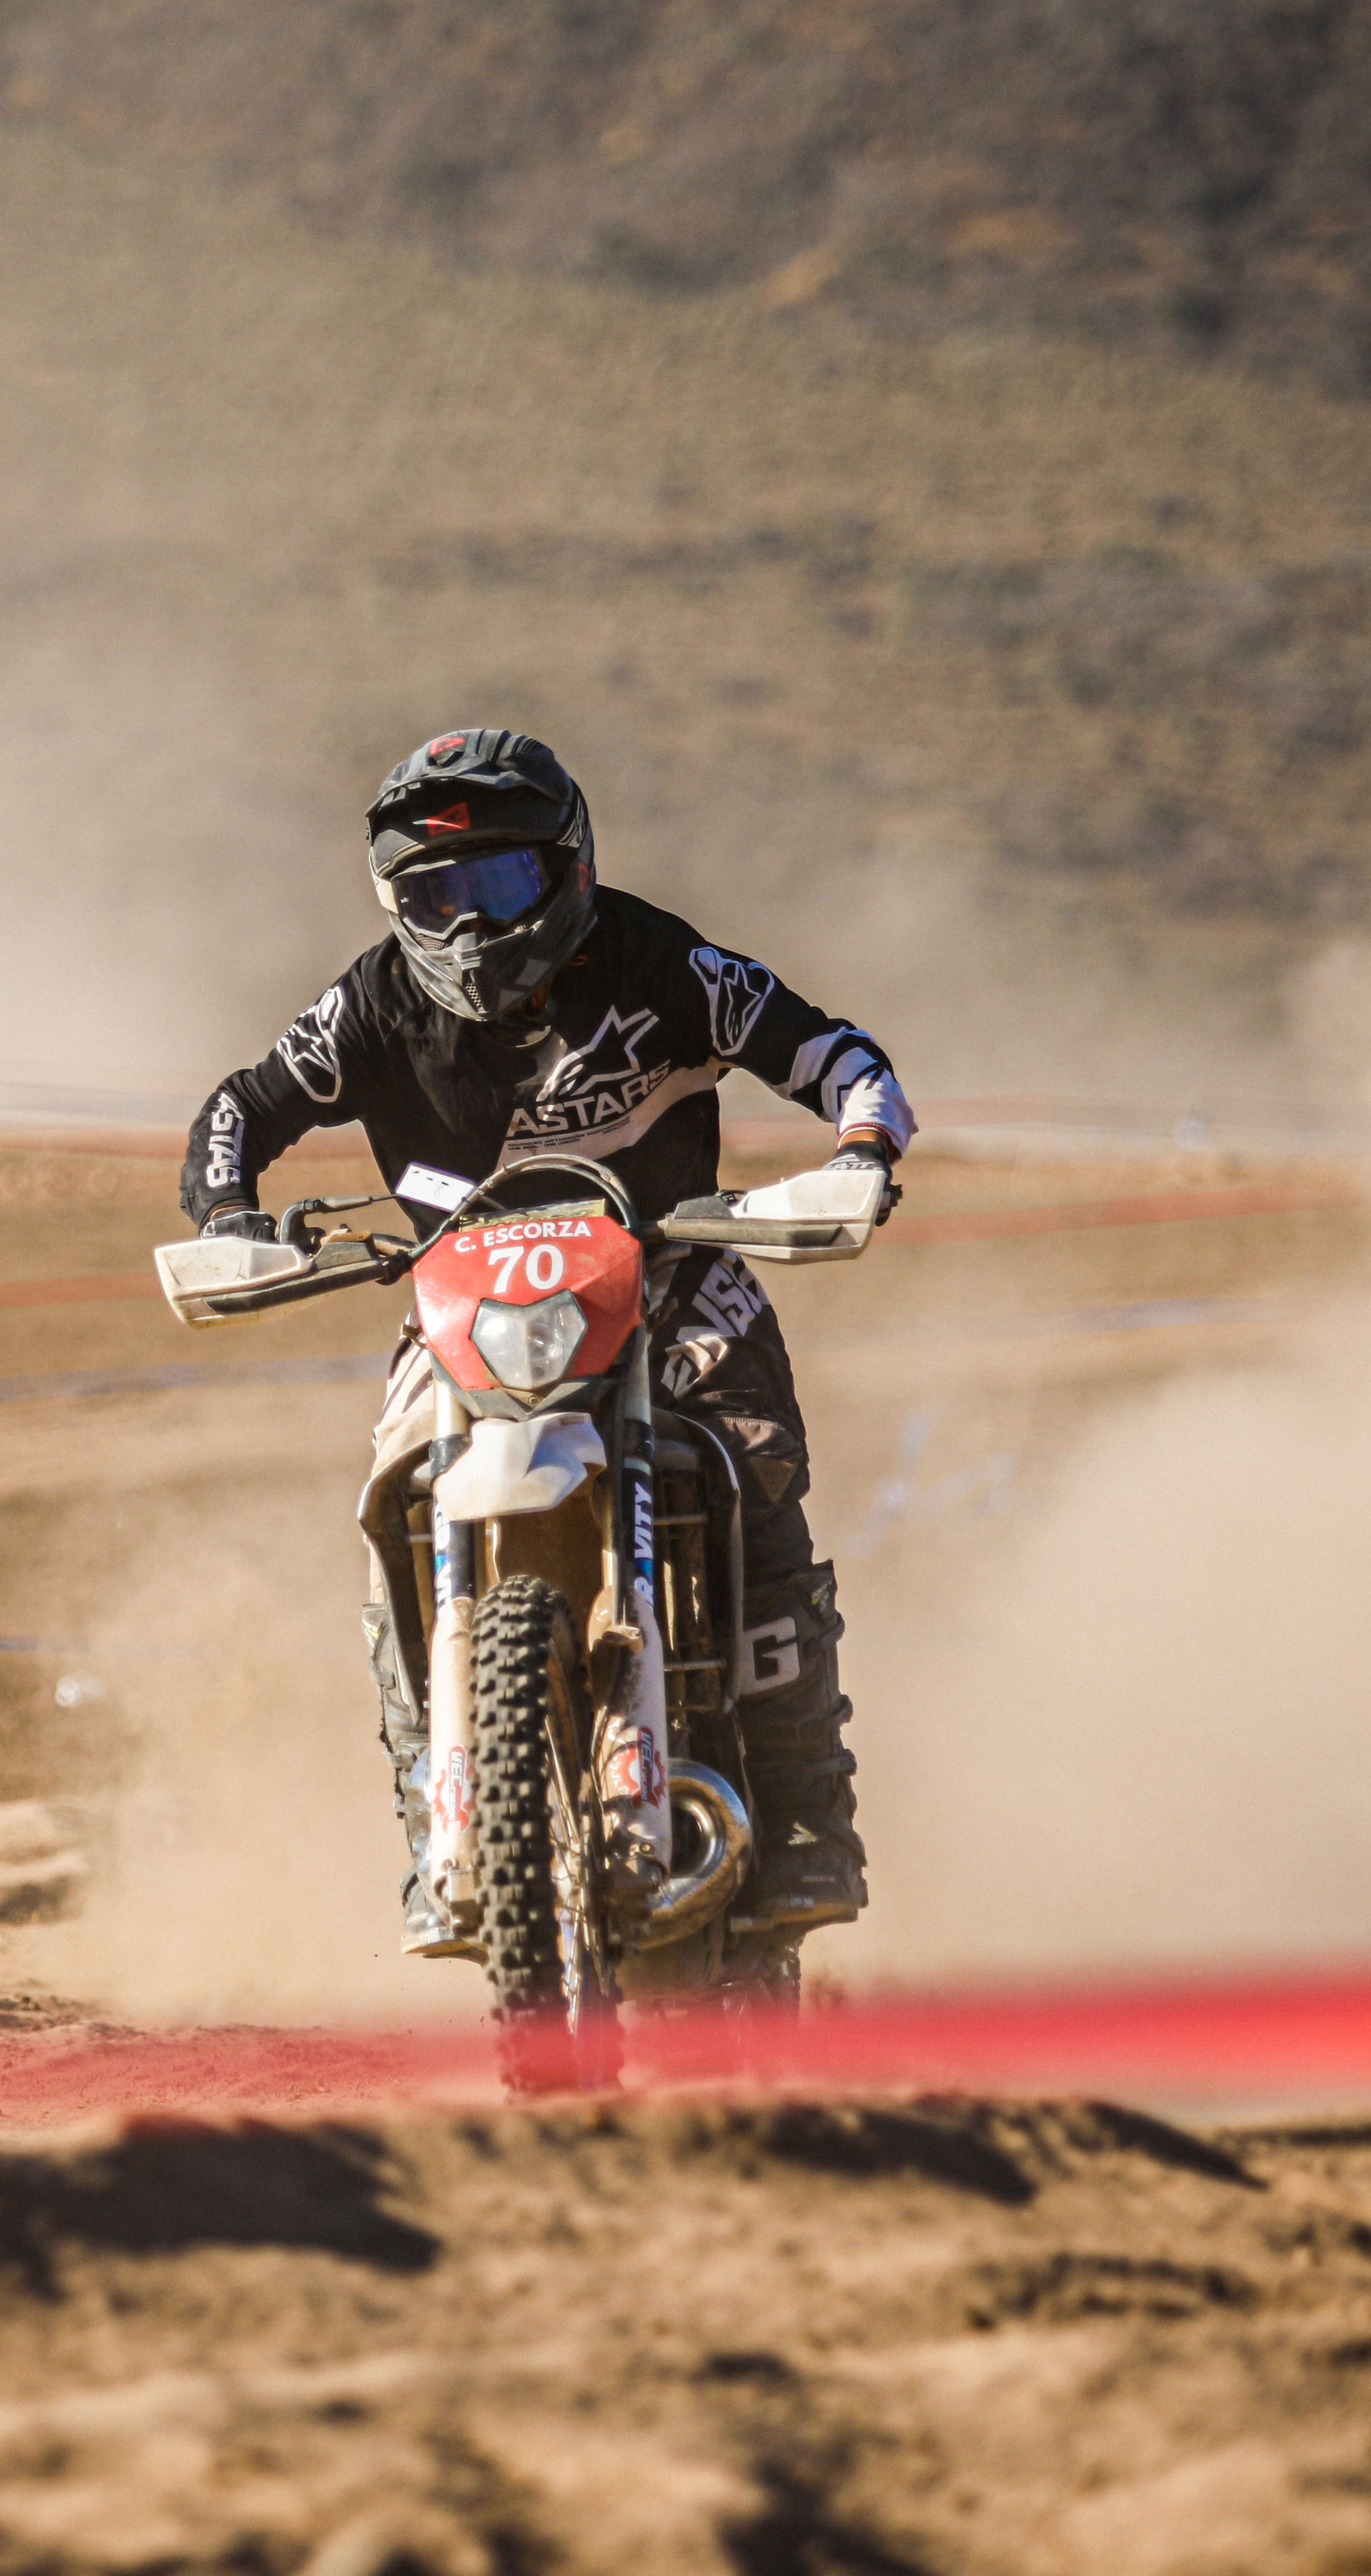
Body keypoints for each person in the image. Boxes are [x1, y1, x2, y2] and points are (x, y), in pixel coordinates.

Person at [180, 727, 912, 1950]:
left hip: (674, 1277)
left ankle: (802, 1824)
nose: (468, 924)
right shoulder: (372, 1001)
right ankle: (437, 1825)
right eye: (435, 896)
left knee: (755, 1479)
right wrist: (228, 1217)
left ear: (570, 867)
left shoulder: (662, 961)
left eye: (499, 883)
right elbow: (237, 1111)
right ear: (395, 904)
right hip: (465, 1306)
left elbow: (840, 1057)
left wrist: (861, 1152)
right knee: (393, 1509)